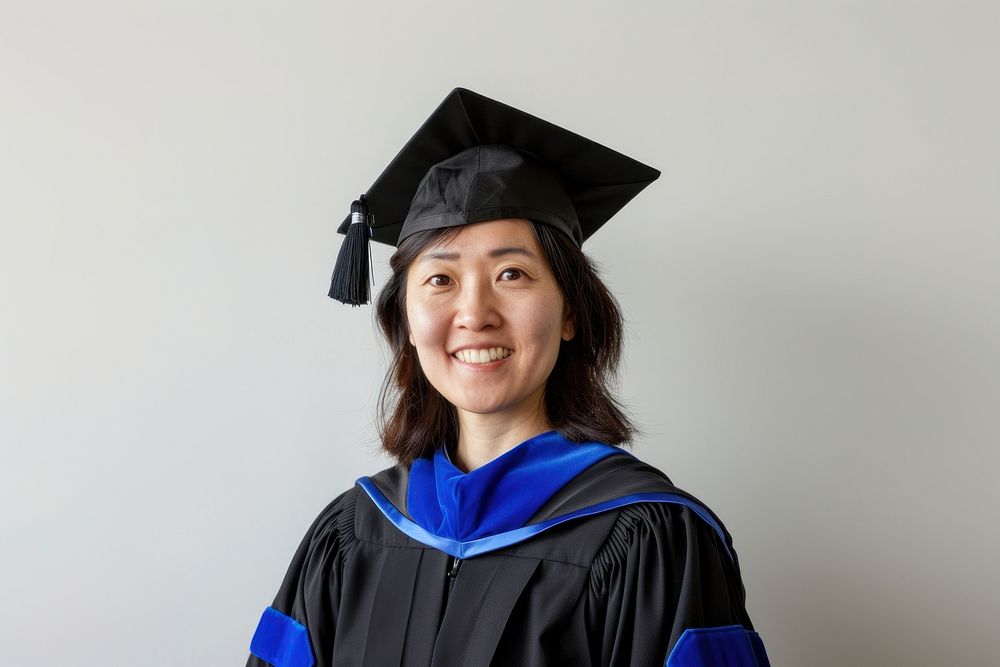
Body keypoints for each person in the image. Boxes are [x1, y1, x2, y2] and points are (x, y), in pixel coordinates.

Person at [246, 88, 771, 667]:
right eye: (440, 280)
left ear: (571, 310)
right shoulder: (351, 533)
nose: (474, 313)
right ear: (406, 321)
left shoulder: (650, 539)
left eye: (512, 273)